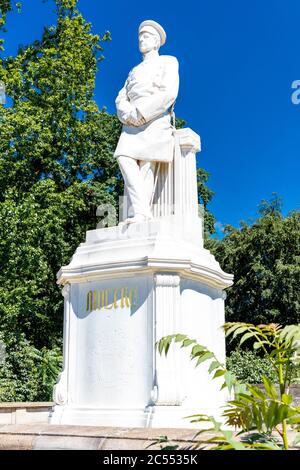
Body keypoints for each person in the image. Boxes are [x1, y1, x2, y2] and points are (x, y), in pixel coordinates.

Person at [114, 20, 179, 224]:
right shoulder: (133, 70)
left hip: (155, 117)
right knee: (123, 156)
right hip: (131, 121)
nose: (142, 39)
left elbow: (169, 92)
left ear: (157, 42)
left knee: (147, 165)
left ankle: (141, 214)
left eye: (147, 36)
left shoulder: (168, 61)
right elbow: (121, 96)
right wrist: (128, 114)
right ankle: (142, 211)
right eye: (140, 36)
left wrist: (143, 112)